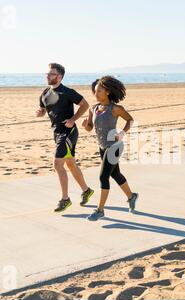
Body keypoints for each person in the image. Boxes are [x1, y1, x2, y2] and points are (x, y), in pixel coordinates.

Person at [36, 63, 94, 212]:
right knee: (70, 164)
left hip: (68, 133)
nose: (47, 76)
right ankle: (86, 190)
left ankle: (65, 199)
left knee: (57, 164)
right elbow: (43, 109)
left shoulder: (67, 92)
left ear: (59, 76)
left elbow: (85, 104)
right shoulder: (44, 93)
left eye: (51, 74)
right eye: (47, 74)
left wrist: (73, 119)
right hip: (56, 133)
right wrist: (41, 112)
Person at [82, 76, 138, 221]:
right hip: (102, 147)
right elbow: (89, 128)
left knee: (103, 176)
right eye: (95, 91)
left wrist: (122, 133)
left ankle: (100, 210)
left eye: (99, 91)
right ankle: (131, 196)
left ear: (107, 92)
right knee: (115, 175)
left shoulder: (116, 109)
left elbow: (130, 120)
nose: (96, 94)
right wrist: (84, 125)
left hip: (114, 146)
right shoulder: (93, 109)